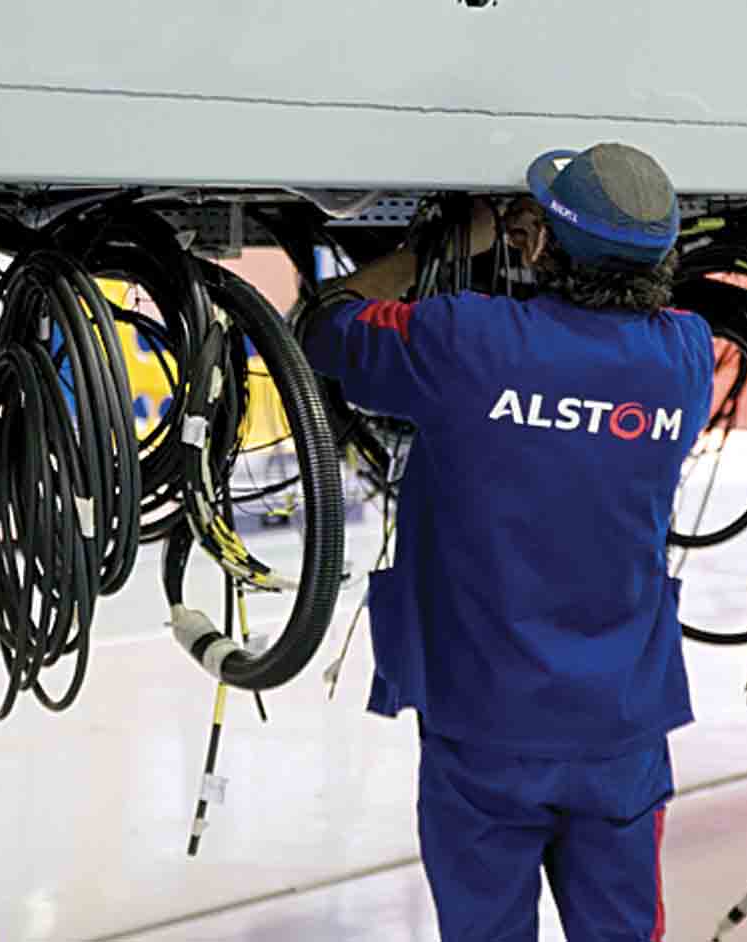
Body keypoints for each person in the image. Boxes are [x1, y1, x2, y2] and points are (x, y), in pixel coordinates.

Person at [299, 143, 714, 942]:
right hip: (619, 724)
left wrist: (430, 249)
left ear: (538, 240)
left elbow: (326, 325)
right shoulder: (684, 357)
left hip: (483, 719)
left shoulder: (464, 339)